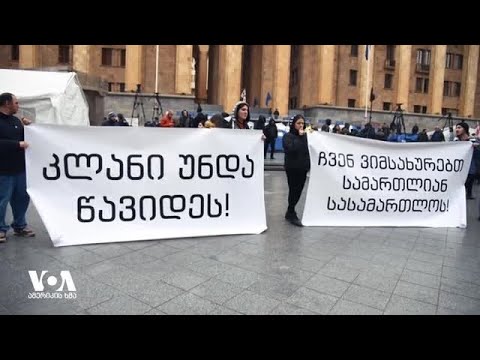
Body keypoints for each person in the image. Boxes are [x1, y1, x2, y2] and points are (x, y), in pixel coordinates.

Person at [0, 93, 35, 243]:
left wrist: (30, 127)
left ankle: (20, 225)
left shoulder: (16, 121)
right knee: (2, 200)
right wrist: (16, 145)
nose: (18, 105)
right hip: (3, 170)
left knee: (22, 198)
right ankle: (1, 229)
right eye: (16, 102)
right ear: (7, 103)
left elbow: (27, 138)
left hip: (20, 169)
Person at [283, 114, 310, 226]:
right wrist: (300, 137)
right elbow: (291, 148)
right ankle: (291, 211)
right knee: (293, 190)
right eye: (298, 123)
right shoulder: (288, 136)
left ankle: (290, 210)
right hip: (292, 167)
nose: (301, 125)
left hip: (303, 167)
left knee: (299, 190)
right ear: (294, 124)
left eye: (302, 123)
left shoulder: (306, 136)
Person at [455, 122, 479, 200]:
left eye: (459, 128)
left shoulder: (473, 140)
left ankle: (468, 193)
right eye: (456, 128)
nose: (457, 130)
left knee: (470, 177)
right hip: (460, 165)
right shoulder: (455, 141)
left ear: (465, 129)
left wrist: (476, 147)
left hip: (471, 164)